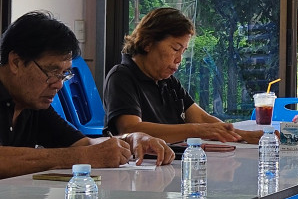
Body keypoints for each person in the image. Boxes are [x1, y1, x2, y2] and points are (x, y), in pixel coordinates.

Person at [0, 11, 173, 179]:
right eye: (52, 71)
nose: (59, 84)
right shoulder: (29, 98)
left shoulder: (32, 104)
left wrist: (130, 140)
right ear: (16, 62)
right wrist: (79, 157)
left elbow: (83, 144)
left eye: (64, 74)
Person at [103, 7, 262, 144]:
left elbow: (201, 118)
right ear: (147, 43)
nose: (179, 59)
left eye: (183, 51)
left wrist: (243, 135)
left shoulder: (168, 81)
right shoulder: (121, 76)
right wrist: (196, 130)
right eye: (175, 49)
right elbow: (130, 129)